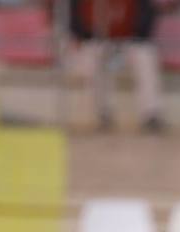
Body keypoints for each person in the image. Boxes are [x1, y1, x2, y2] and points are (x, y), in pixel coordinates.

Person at [67, 0, 165, 134]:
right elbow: (75, 20)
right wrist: (85, 35)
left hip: (130, 41)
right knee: (91, 58)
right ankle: (102, 114)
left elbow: (147, 18)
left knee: (145, 55)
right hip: (98, 41)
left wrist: (129, 33)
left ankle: (151, 115)